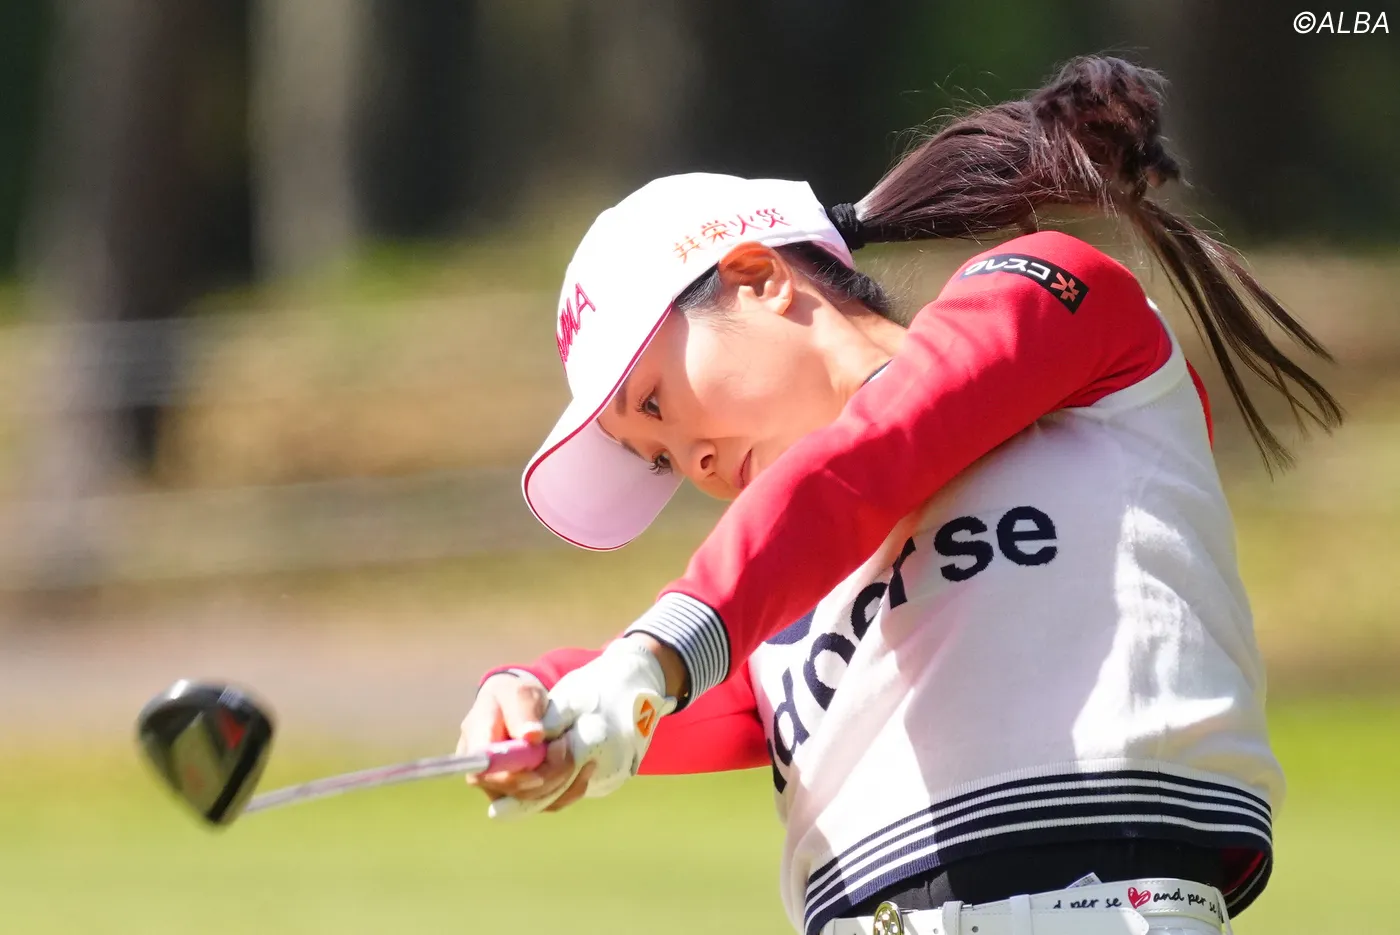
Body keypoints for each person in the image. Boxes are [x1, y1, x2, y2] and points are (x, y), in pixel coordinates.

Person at [456, 56, 1342, 935]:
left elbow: (874, 453)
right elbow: (690, 688)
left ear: (760, 277)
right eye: (659, 460)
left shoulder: (1044, 292)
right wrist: (538, 697)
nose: (694, 465)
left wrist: (654, 652)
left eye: (655, 404)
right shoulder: (777, 596)